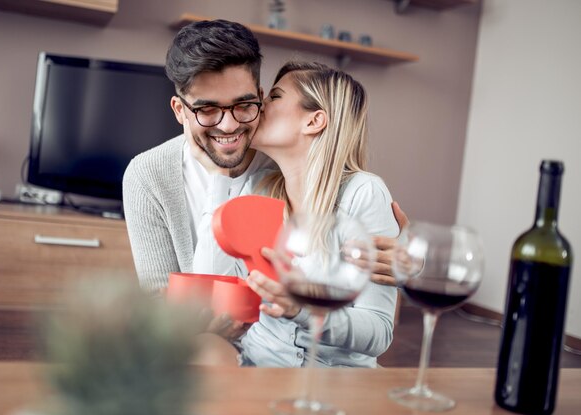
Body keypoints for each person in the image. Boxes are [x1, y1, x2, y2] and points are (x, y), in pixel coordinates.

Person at [123, 19, 407, 296]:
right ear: (179, 110)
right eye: (207, 110)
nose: (229, 126)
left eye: (244, 105)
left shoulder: (283, 164)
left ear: (260, 97)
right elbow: (159, 301)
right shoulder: (147, 174)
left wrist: (408, 264)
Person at [192, 61, 399, 367]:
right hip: (257, 367)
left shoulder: (363, 193)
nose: (260, 106)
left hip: (331, 383)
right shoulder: (258, 188)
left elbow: (379, 332)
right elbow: (216, 287)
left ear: (314, 121)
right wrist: (218, 169)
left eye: (274, 97)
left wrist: (301, 310)